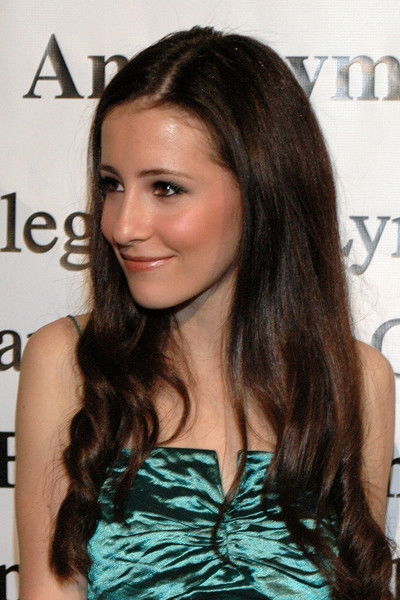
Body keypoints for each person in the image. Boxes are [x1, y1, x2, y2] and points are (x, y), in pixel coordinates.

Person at [15, 26, 395, 600]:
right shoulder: (67, 363)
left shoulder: (356, 380)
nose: (122, 225)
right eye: (112, 185)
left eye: (165, 188)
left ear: (262, 191)